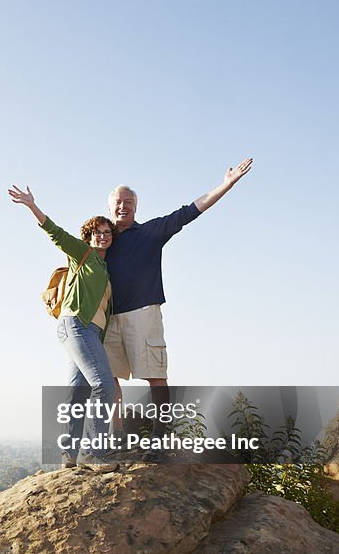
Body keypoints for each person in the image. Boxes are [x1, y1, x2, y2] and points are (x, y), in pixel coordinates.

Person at [104, 158, 253, 451]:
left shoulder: (150, 232)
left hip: (144, 313)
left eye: (128, 202)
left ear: (136, 206)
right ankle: (116, 434)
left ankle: (160, 435)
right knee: (109, 378)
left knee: (156, 375)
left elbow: (190, 211)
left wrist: (226, 184)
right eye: (118, 202)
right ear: (110, 207)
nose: (123, 206)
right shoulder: (102, 239)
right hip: (110, 317)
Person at [9, 184, 118, 469]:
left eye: (107, 233)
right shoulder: (83, 255)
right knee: (104, 385)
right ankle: (94, 454)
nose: (103, 237)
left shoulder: (106, 270)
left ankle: (68, 456)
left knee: (77, 391)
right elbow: (55, 233)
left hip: (88, 332)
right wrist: (32, 206)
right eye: (97, 232)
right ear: (88, 236)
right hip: (76, 325)